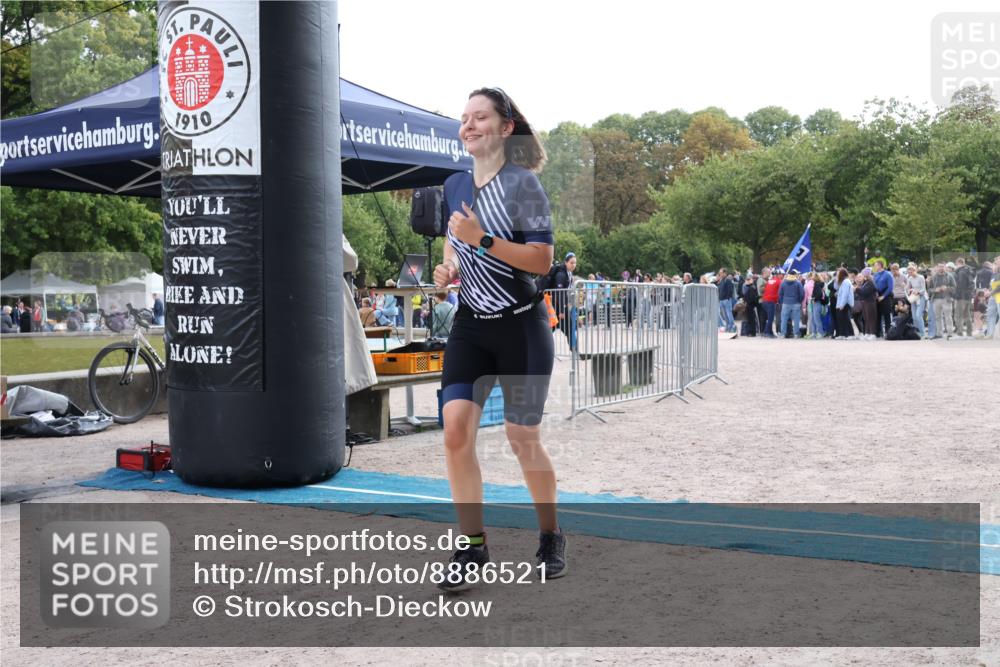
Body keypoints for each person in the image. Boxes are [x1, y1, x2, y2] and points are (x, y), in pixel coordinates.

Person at [432, 87, 564, 591]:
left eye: (479, 117)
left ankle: (551, 535)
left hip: (522, 327)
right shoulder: (454, 183)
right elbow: (453, 236)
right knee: (455, 433)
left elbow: (541, 261)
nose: (468, 125)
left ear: (505, 128)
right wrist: (448, 267)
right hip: (470, 326)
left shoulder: (523, 186)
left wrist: (482, 239)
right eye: (464, 118)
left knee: (521, 439)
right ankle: (472, 547)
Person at [552, 252, 577, 350]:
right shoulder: (561, 275)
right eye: (571, 263)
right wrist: (562, 310)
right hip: (557, 308)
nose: (574, 265)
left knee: (569, 329)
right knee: (570, 328)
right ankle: (575, 349)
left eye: (575, 263)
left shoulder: (568, 273)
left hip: (560, 307)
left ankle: (575, 349)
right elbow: (560, 293)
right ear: (566, 262)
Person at [927, 263, 955, 339]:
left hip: (947, 299)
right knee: (937, 317)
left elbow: (955, 288)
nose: (941, 268)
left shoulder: (950, 276)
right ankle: (939, 333)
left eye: (942, 266)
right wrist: (934, 290)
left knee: (948, 317)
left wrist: (947, 288)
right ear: (937, 268)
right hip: (936, 299)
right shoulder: (933, 277)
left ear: (945, 267)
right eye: (939, 267)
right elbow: (929, 289)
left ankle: (950, 333)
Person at [777, 270, 805, 338]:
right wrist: (799, 301)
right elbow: (802, 293)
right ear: (794, 275)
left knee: (784, 319)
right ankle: (796, 334)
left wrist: (782, 301)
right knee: (796, 319)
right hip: (796, 303)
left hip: (785, 303)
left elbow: (780, 293)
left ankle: (783, 334)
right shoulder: (798, 283)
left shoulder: (783, 283)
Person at [952, 257, 975, 337]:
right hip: (968, 296)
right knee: (967, 315)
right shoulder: (969, 270)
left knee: (959, 315)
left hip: (961, 296)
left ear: (958, 263)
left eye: (956, 264)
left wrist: (956, 294)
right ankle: (969, 332)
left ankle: (960, 332)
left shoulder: (961, 272)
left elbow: (960, 285)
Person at [905, 263, 929, 339]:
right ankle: (916, 332)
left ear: (914, 270)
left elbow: (924, 289)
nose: (910, 274)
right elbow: (908, 288)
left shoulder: (921, 277)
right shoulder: (910, 278)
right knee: (914, 317)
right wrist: (910, 290)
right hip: (914, 298)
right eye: (909, 273)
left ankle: (922, 333)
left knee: (919, 315)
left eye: (911, 272)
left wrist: (917, 291)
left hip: (921, 297)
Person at [871, 260, 894, 337]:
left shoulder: (888, 274)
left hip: (886, 296)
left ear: (880, 265)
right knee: (878, 315)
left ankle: (888, 332)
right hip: (877, 295)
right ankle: (879, 333)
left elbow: (890, 287)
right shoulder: (875, 275)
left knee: (887, 315)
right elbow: (874, 285)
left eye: (876, 265)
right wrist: (876, 294)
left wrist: (883, 296)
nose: (874, 267)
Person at [856, 271, 878, 340]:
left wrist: (856, 289)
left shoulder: (871, 283)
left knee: (871, 318)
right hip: (865, 302)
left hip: (870, 302)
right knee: (866, 318)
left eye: (862, 275)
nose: (860, 277)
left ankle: (873, 333)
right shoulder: (865, 283)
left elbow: (864, 292)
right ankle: (867, 333)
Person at [834, 268, 855, 339]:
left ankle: (850, 334)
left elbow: (845, 294)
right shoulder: (843, 282)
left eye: (838, 273)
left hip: (845, 303)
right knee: (840, 319)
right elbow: (837, 288)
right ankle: (842, 334)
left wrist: (842, 304)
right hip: (841, 303)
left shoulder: (846, 281)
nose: (837, 274)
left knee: (846, 319)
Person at [760, 268, 781, 338]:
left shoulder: (770, 281)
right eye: (782, 275)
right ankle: (766, 332)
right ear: (779, 275)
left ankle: (770, 332)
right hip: (771, 301)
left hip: (764, 301)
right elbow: (781, 292)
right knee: (770, 318)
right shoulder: (779, 282)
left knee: (769, 318)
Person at [806, 271, 826, 339]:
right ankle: (814, 333)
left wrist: (814, 299)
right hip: (816, 302)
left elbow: (819, 294)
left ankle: (820, 333)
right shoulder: (819, 284)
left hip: (816, 303)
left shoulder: (817, 284)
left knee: (816, 319)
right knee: (814, 319)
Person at [716, 268, 736, 333]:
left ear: (725, 273)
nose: (720, 274)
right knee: (725, 315)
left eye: (721, 273)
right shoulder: (721, 281)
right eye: (719, 273)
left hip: (726, 300)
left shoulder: (728, 280)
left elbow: (730, 290)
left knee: (729, 314)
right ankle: (728, 326)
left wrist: (727, 298)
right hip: (721, 300)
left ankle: (732, 326)